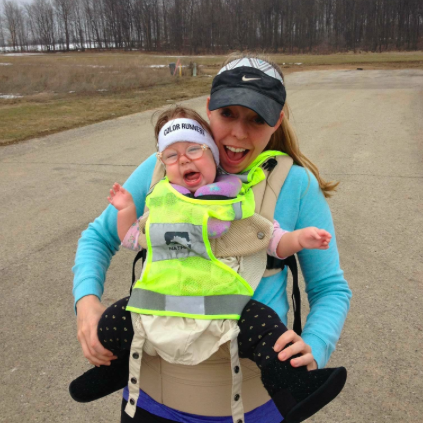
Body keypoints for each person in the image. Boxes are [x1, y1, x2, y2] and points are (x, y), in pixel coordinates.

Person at [73, 54, 352, 423]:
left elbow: (331, 288)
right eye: (227, 114)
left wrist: (314, 346)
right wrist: (87, 303)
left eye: (256, 119)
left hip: (253, 410)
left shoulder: (294, 184)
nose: (238, 133)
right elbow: (99, 236)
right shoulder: (163, 168)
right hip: (149, 402)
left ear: (277, 121)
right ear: (208, 110)